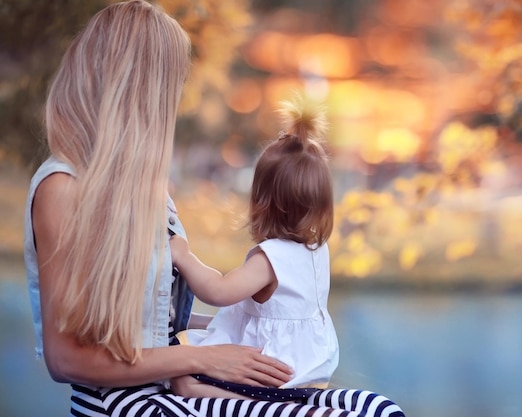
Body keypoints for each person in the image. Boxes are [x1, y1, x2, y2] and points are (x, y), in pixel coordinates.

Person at [23, 1, 405, 415]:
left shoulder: (150, 194)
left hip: (173, 381)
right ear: (134, 87)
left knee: (377, 409)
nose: (174, 100)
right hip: (125, 401)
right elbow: (67, 361)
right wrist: (206, 358)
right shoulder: (62, 187)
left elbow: (160, 328)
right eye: (171, 83)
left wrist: (259, 333)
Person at [168, 96, 339, 400]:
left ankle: (247, 404)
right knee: (197, 339)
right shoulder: (316, 251)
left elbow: (219, 291)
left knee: (180, 371)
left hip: (272, 373)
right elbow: (253, 318)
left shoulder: (270, 259)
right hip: (307, 372)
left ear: (261, 202)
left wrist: (183, 255)